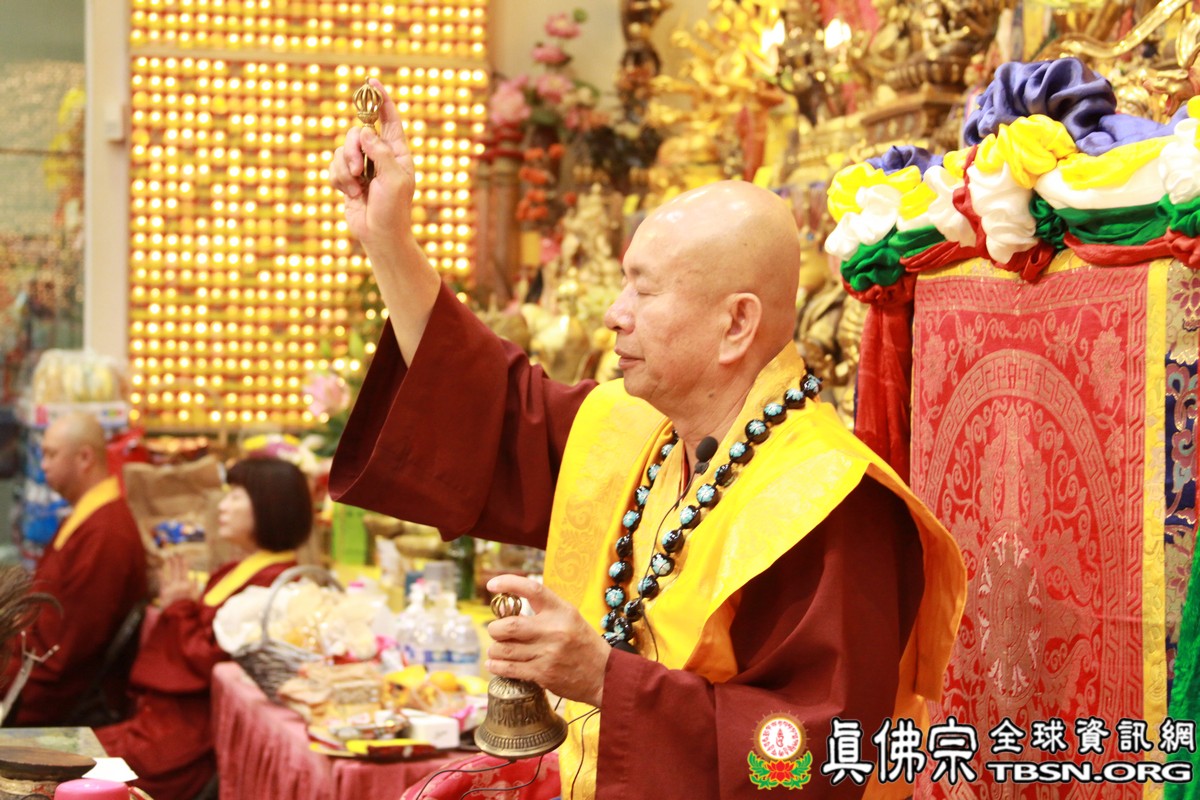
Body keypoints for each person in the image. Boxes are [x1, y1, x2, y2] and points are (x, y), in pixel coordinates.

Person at [328, 79, 967, 799]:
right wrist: (388, 240)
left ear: (736, 324)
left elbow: (804, 759)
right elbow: (483, 407)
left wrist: (606, 679)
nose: (613, 313)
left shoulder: (826, 502)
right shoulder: (638, 430)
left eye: (643, 289)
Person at [96, 457, 313, 800]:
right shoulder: (236, 569)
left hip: (187, 736)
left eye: (236, 496)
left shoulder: (277, 588)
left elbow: (209, 660)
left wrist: (180, 607)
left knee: (82, 769)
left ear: (270, 505)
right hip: (162, 720)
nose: (222, 506)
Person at [8, 411, 148, 726]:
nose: (43, 465)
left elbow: (62, 656)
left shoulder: (106, 534)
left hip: (49, 698)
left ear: (85, 457)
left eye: (51, 454)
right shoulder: (88, 518)